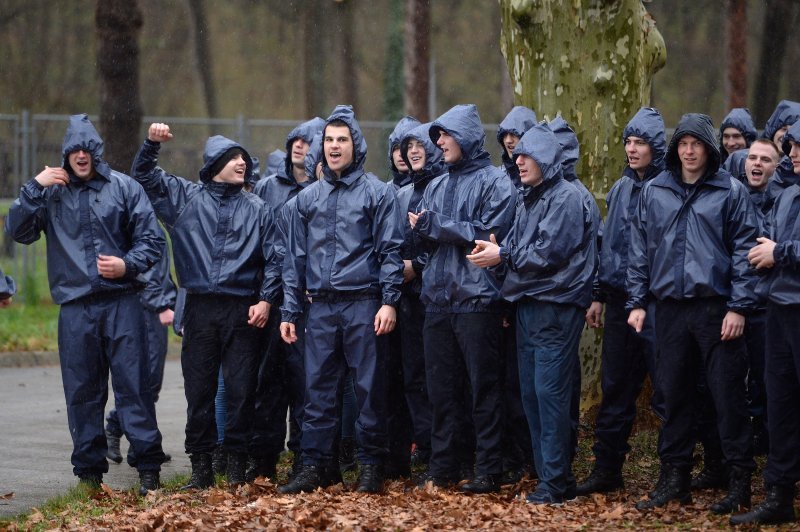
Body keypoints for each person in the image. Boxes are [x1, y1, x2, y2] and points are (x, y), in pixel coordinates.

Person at [6, 114, 166, 495]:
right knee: (81, 392)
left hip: (123, 303)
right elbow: (18, 232)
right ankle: (89, 476)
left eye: (87, 148)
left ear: (97, 151)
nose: (81, 155)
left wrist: (125, 265)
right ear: (65, 154)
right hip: (75, 309)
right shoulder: (50, 192)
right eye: (73, 149)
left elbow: (153, 240)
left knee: (134, 387)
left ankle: (148, 470)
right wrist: (33, 187)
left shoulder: (124, 188)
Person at [131, 123, 276, 489]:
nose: (242, 162)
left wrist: (266, 299)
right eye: (233, 158)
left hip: (243, 309)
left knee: (243, 391)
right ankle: (201, 467)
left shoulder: (259, 209)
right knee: (199, 391)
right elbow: (144, 176)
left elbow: (276, 259)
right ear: (214, 164)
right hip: (198, 307)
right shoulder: (186, 198)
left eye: (244, 157)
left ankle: (237, 464)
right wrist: (151, 144)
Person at [628, 113, 759, 513]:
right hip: (668, 309)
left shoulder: (730, 191)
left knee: (727, 396)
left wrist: (738, 306)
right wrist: (635, 301)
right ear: (675, 148)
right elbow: (639, 250)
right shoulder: (654, 191)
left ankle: (739, 481)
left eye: (696, 144)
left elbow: (745, 251)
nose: (689, 151)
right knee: (673, 395)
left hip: (716, 309)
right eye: (683, 144)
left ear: (709, 149)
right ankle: (674, 478)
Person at [279, 105, 404, 494]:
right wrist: (289, 309)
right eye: (329, 140)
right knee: (317, 390)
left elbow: (391, 251)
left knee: (368, 390)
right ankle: (318, 465)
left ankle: (370, 465)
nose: (334, 147)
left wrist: (389, 301)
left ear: (356, 145)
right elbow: (293, 258)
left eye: (342, 140)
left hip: (364, 303)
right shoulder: (306, 199)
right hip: (319, 307)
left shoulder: (379, 193)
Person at [467, 122, 592, 504]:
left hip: (555, 308)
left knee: (549, 394)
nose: (517, 161)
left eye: (526, 155)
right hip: (527, 307)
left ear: (547, 158)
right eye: (516, 155)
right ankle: (550, 478)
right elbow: (521, 249)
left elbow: (547, 253)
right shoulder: (530, 197)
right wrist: (499, 254)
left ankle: (555, 483)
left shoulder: (567, 197)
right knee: (533, 397)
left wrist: (502, 255)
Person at [409, 104, 516, 494]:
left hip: (477, 301)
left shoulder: (495, 181)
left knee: (483, 389)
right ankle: (443, 468)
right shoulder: (435, 184)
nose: (438, 143)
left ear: (467, 137)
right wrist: (421, 232)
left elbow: (490, 234)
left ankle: (488, 468)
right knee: (441, 391)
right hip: (437, 301)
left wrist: (434, 226)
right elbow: (434, 242)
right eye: (437, 136)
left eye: (445, 135)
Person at [577, 107, 665, 496]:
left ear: (656, 147)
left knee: (668, 391)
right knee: (615, 389)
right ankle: (607, 470)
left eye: (640, 142)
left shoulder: (669, 189)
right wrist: (598, 295)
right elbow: (606, 245)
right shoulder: (620, 189)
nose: (631, 149)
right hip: (617, 305)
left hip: (659, 306)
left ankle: (674, 474)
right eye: (628, 141)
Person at [731, 121, 800, 526]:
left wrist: (781, 253)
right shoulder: (788, 193)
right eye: (790, 146)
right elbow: (765, 244)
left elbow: (778, 249)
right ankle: (779, 495)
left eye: (798, 148)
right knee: (781, 407)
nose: (792, 153)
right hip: (777, 311)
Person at [249, 117, 324, 481]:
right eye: (295, 139)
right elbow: (264, 246)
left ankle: (302, 461)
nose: (299, 145)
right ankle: (263, 460)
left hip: (311, 303)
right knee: (268, 383)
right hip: (273, 300)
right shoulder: (267, 188)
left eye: (308, 141)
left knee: (305, 385)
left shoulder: (325, 190)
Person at [394, 122, 445, 472]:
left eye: (420, 144)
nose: (413, 151)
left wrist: (418, 266)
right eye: (407, 146)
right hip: (407, 300)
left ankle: (446, 452)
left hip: (438, 298)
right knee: (413, 376)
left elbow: (451, 242)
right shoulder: (401, 194)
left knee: (440, 378)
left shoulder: (444, 187)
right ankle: (424, 448)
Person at [105, 231, 178, 465]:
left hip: (152, 306)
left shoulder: (150, 219)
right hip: (146, 309)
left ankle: (143, 444)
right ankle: (118, 431)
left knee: (149, 380)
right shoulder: (141, 221)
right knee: (147, 379)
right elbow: (147, 270)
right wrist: (160, 304)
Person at [494, 106, 538, 483]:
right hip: (500, 296)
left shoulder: (536, 189)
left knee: (529, 385)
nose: (512, 149)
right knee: (505, 384)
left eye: (518, 142)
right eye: (507, 142)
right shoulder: (498, 182)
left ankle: (531, 457)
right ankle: (512, 456)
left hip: (527, 297)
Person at [496, 105, 537, 189]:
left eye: (513, 134)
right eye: (504, 135)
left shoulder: (541, 176)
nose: (508, 140)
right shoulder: (498, 177)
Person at [388, 116, 422, 189]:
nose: (400, 153)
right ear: (391, 154)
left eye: (407, 147)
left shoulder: (431, 188)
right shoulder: (384, 192)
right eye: (396, 148)